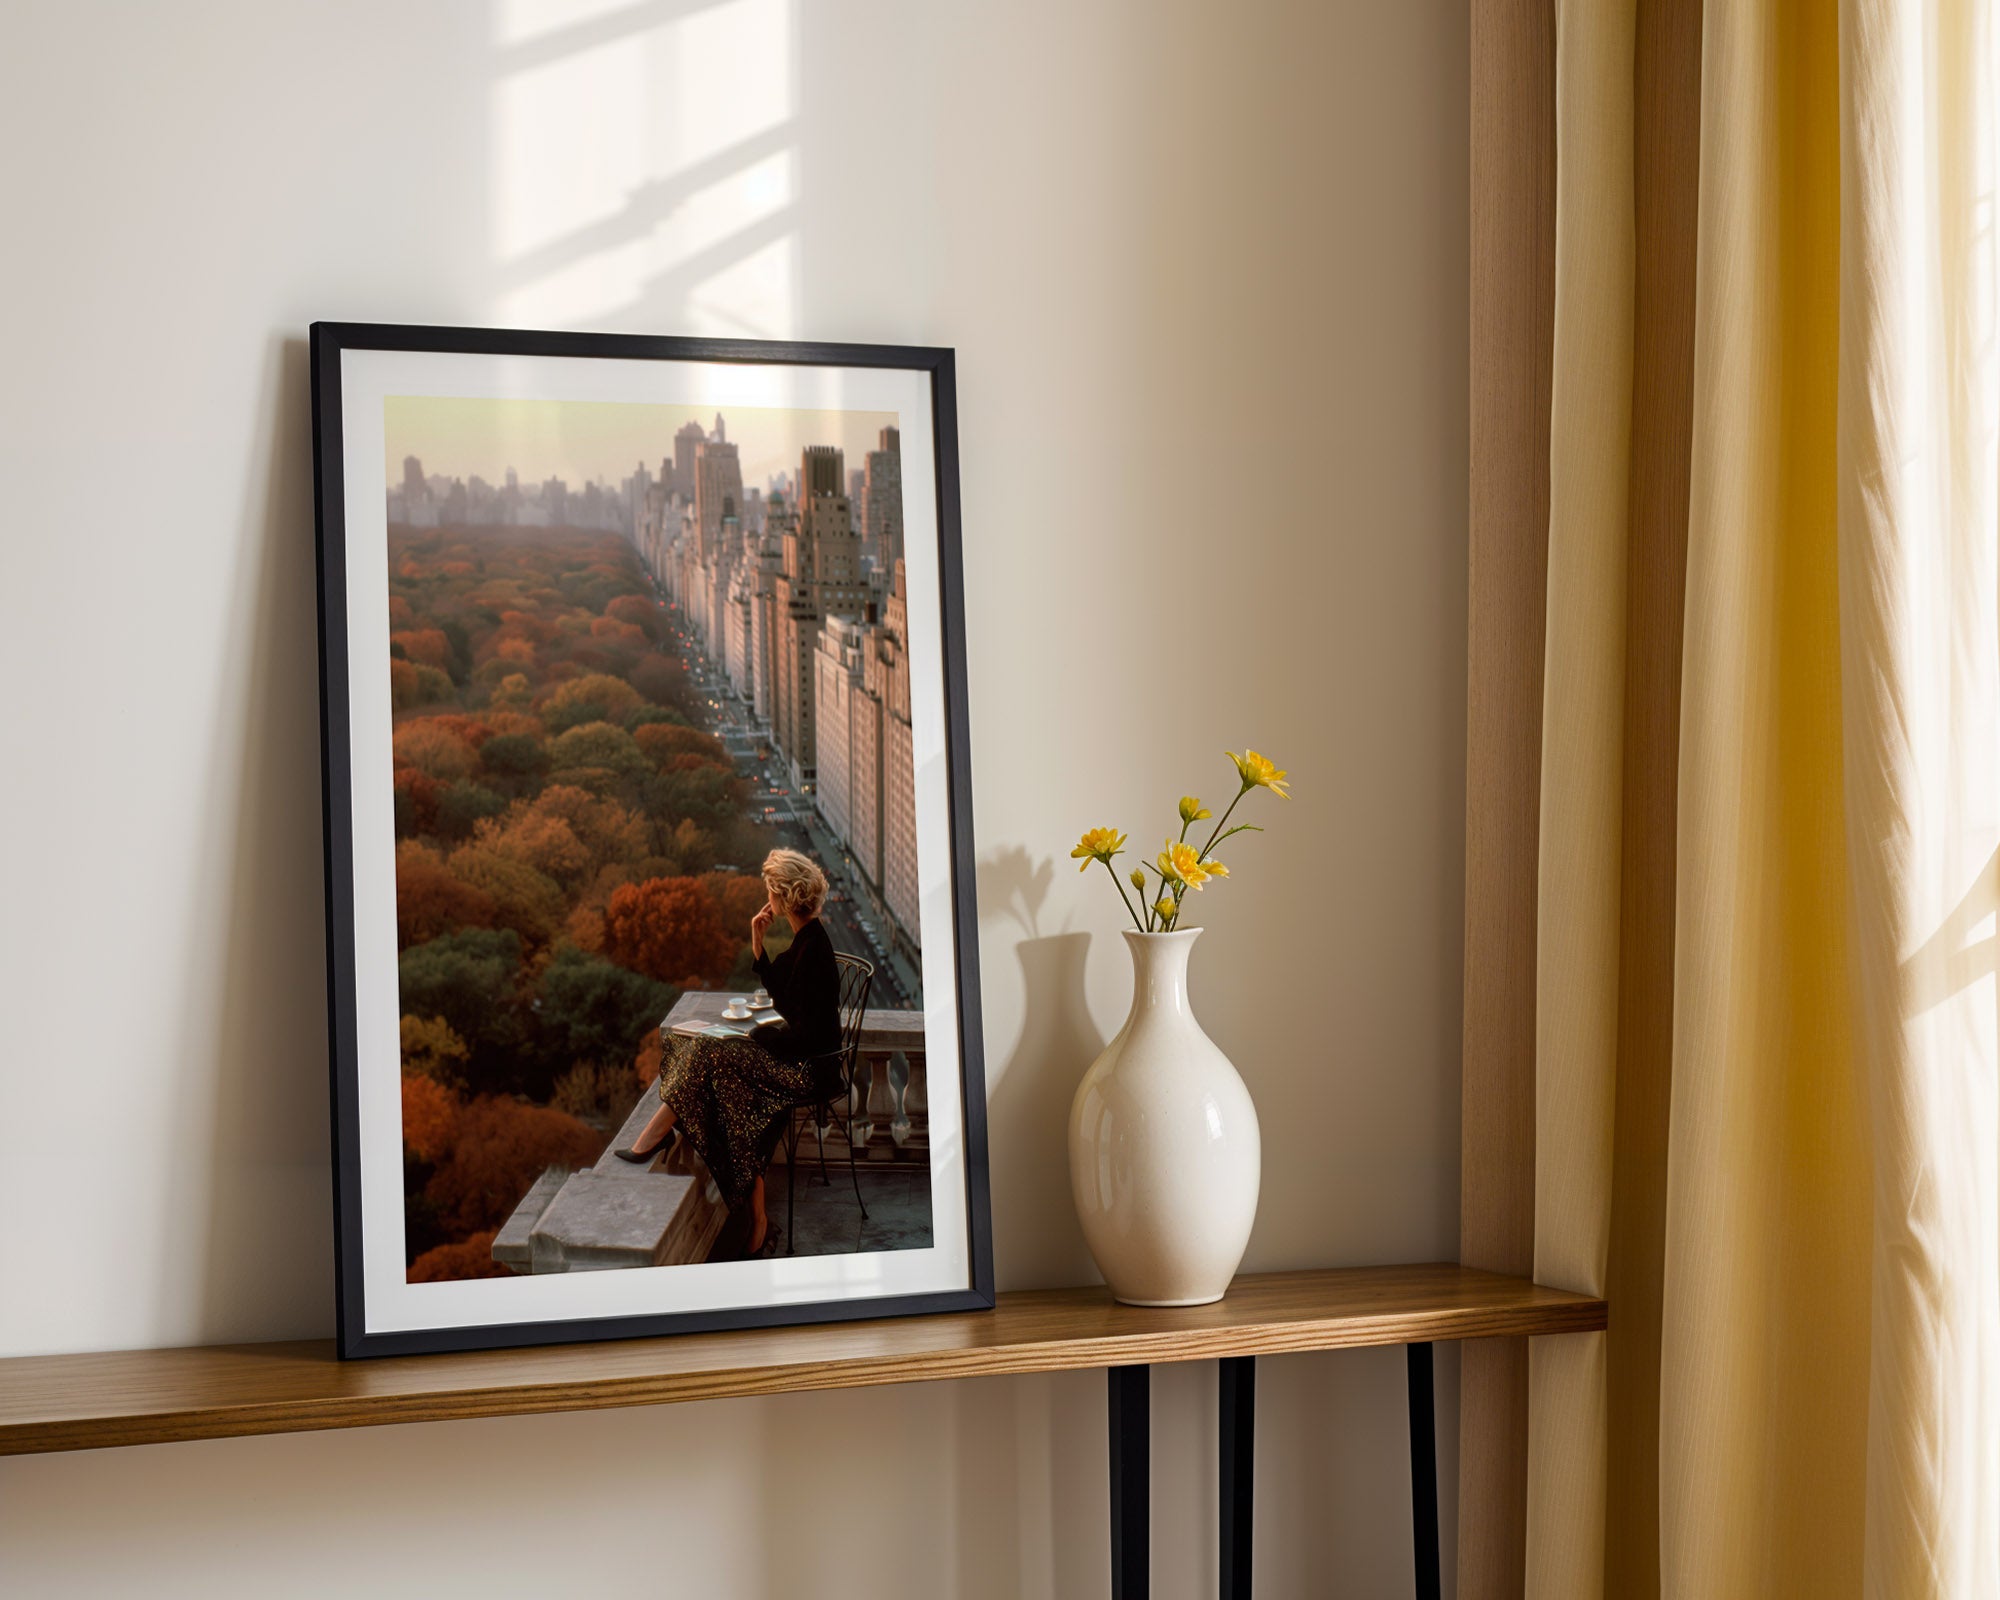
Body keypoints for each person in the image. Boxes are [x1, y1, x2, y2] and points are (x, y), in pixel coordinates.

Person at [614, 848, 844, 1256]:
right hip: (804, 1060)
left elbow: (806, 1036)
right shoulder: (810, 939)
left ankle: (658, 1132)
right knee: (723, 1076)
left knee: (709, 1051)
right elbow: (789, 1003)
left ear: (780, 896)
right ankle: (755, 1216)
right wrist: (758, 944)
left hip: (809, 1070)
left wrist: (760, 1038)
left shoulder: (813, 951)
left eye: (769, 891)